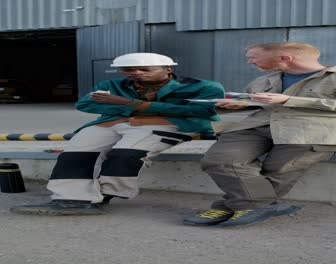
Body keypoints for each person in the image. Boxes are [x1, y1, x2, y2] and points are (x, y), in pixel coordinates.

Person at [183, 42, 336, 227]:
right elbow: (259, 104)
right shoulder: (264, 81)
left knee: (276, 170)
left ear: (285, 57)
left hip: (315, 131)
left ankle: (229, 207)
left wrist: (289, 100)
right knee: (220, 160)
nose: (249, 62)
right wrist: (235, 106)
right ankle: (254, 206)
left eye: (253, 58)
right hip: (259, 126)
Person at [11, 52, 225, 215]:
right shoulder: (112, 84)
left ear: (167, 68)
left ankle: (104, 195)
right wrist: (128, 110)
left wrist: (132, 104)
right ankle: (70, 199)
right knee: (76, 152)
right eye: (128, 70)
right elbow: (85, 104)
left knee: (126, 154)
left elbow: (202, 111)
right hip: (116, 122)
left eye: (144, 69)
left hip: (168, 124)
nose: (136, 73)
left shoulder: (203, 86)